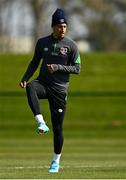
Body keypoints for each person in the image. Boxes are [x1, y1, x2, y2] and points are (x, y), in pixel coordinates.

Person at [19, 8, 81, 173]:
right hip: (44, 84)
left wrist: (57, 67)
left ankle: (55, 161)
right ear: (53, 26)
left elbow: (77, 68)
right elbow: (34, 62)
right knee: (32, 86)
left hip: (59, 90)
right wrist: (25, 77)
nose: (63, 29)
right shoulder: (42, 43)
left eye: (65, 26)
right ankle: (40, 122)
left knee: (58, 127)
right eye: (60, 26)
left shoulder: (71, 46)